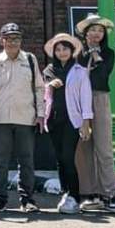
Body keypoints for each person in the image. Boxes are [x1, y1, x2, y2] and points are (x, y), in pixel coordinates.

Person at [0, 22, 43, 213]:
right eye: (8, 38)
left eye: (16, 38)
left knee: (26, 161)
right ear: (1, 40)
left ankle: (27, 199)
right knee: (0, 162)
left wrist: (41, 114)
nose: (12, 42)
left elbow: (39, 87)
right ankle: (0, 199)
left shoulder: (30, 59)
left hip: (26, 117)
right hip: (0, 118)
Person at [41, 33, 93, 215]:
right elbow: (42, 93)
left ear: (72, 51)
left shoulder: (79, 71)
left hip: (73, 120)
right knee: (60, 159)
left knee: (67, 157)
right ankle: (65, 193)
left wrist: (86, 122)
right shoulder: (48, 70)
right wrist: (50, 86)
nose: (62, 52)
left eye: (65, 49)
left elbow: (86, 97)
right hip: (53, 120)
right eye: (58, 49)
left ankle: (75, 195)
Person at [74, 14, 115, 211]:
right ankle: (89, 193)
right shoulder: (76, 53)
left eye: (100, 30)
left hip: (99, 97)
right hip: (78, 100)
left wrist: (95, 54)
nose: (96, 33)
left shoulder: (108, 53)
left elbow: (103, 74)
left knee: (104, 147)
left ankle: (109, 194)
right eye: (92, 29)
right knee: (83, 148)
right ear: (85, 33)